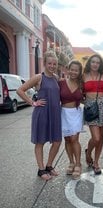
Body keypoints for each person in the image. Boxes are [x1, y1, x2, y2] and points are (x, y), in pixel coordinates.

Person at [17, 51, 62, 181]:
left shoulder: (56, 78)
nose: (52, 66)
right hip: (42, 113)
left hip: (55, 114)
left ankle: (49, 166)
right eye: (49, 63)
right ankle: (41, 169)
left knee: (57, 141)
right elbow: (20, 90)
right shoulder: (38, 77)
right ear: (44, 63)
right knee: (40, 141)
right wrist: (32, 102)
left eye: (54, 64)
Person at [83, 54, 103, 175]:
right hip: (91, 107)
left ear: (100, 64)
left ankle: (96, 162)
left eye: (97, 62)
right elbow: (78, 91)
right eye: (93, 62)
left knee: (101, 138)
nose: (95, 64)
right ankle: (88, 153)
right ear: (89, 63)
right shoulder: (84, 76)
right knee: (96, 138)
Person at [58, 60, 83, 179]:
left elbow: (87, 97)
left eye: (76, 70)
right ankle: (71, 162)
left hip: (76, 113)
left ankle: (78, 164)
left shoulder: (82, 84)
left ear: (79, 72)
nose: (73, 72)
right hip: (63, 113)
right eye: (72, 69)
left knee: (74, 139)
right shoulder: (61, 83)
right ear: (68, 70)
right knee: (67, 139)